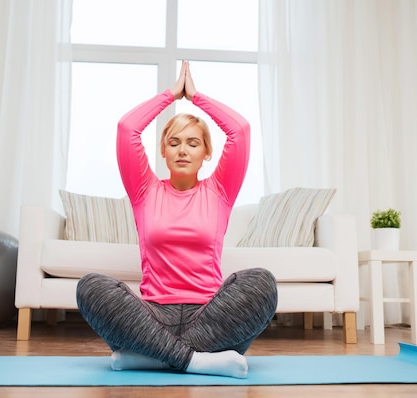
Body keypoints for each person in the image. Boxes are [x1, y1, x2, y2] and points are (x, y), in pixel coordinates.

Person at [76, 61, 277, 379]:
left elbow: (239, 131)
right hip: (152, 316)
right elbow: (128, 129)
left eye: (193, 143)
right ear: (163, 152)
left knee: (262, 282)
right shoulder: (144, 190)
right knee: (89, 287)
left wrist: (196, 97)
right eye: (174, 143)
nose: (183, 150)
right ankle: (195, 361)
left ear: (206, 153)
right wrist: (171, 95)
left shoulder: (220, 190)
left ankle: (152, 356)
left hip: (211, 318)